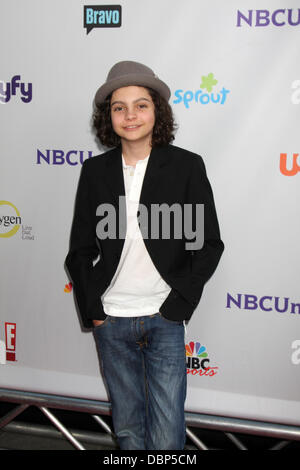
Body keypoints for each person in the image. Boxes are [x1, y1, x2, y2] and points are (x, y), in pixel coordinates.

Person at [65, 60, 224, 450]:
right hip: (112, 320)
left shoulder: (186, 166)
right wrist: (94, 309)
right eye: (119, 107)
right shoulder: (95, 171)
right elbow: (80, 250)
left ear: (157, 111)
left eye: (141, 105)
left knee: (168, 435)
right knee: (128, 431)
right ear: (109, 117)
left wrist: (177, 304)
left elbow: (208, 244)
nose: (130, 115)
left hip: (163, 317)